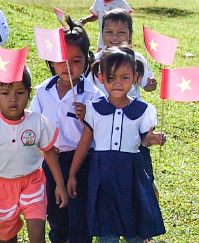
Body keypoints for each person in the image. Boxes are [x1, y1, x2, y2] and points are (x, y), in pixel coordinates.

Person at [67, 46, 166, 243]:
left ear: (135, 77)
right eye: (111, 78)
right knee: (107, 228)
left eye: (125, 77)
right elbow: (85, 142)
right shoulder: (94, 108)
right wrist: (72, 174)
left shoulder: (143, 109)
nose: (118, 83)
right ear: (102, 78)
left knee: (134, 224)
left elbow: (143, 140)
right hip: (102, 175)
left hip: (131, 173)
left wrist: (152, 140)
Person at [29, 16, 101, 243]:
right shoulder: (42, 91)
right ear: (52, 59)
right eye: (61, 59)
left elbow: (98, 135)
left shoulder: (92, 96)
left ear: (87, 62)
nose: (68, 66)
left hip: (81, 163)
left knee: (79, 215)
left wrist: (88, 117)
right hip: (50, 163)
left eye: (76, 60)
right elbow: (32, 125)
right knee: (56, 212)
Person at [90, 9, 158, 196]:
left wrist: (151, 85)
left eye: (121, 32)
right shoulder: (97, 61)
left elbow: (146, 86)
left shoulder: (137, 59)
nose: (115, 37)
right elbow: (90, 92)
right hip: (105, 126)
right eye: (109, 32)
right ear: (101, 33)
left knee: (141, 166)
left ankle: (147, 195)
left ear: (130, 35)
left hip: (134, 122)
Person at [0, 66, 68, 243]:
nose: (13, 99)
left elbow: (49, 152)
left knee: (37, 232)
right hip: (3, 187)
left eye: (20, 92)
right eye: (5, 93)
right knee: (6, 236)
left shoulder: (36, 121)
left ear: (29, 93)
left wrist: (60, 184)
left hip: (32, 182)